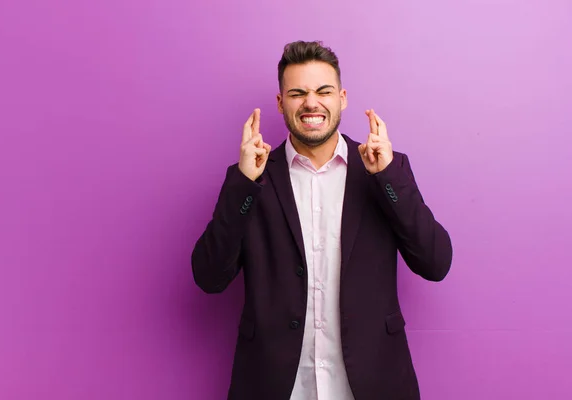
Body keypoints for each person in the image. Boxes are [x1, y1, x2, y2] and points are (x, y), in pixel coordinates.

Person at [191, 40, 453, 400]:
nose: (311, 103)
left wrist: (387, 177)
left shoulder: (385, 169)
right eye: (298, 93)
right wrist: (243, 184)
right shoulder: (251, 177)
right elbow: (208, 277)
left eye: (323, 91)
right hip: (275, 386)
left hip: (372, 383)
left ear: (342, 98)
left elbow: (435, 262)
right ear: (281, 103)